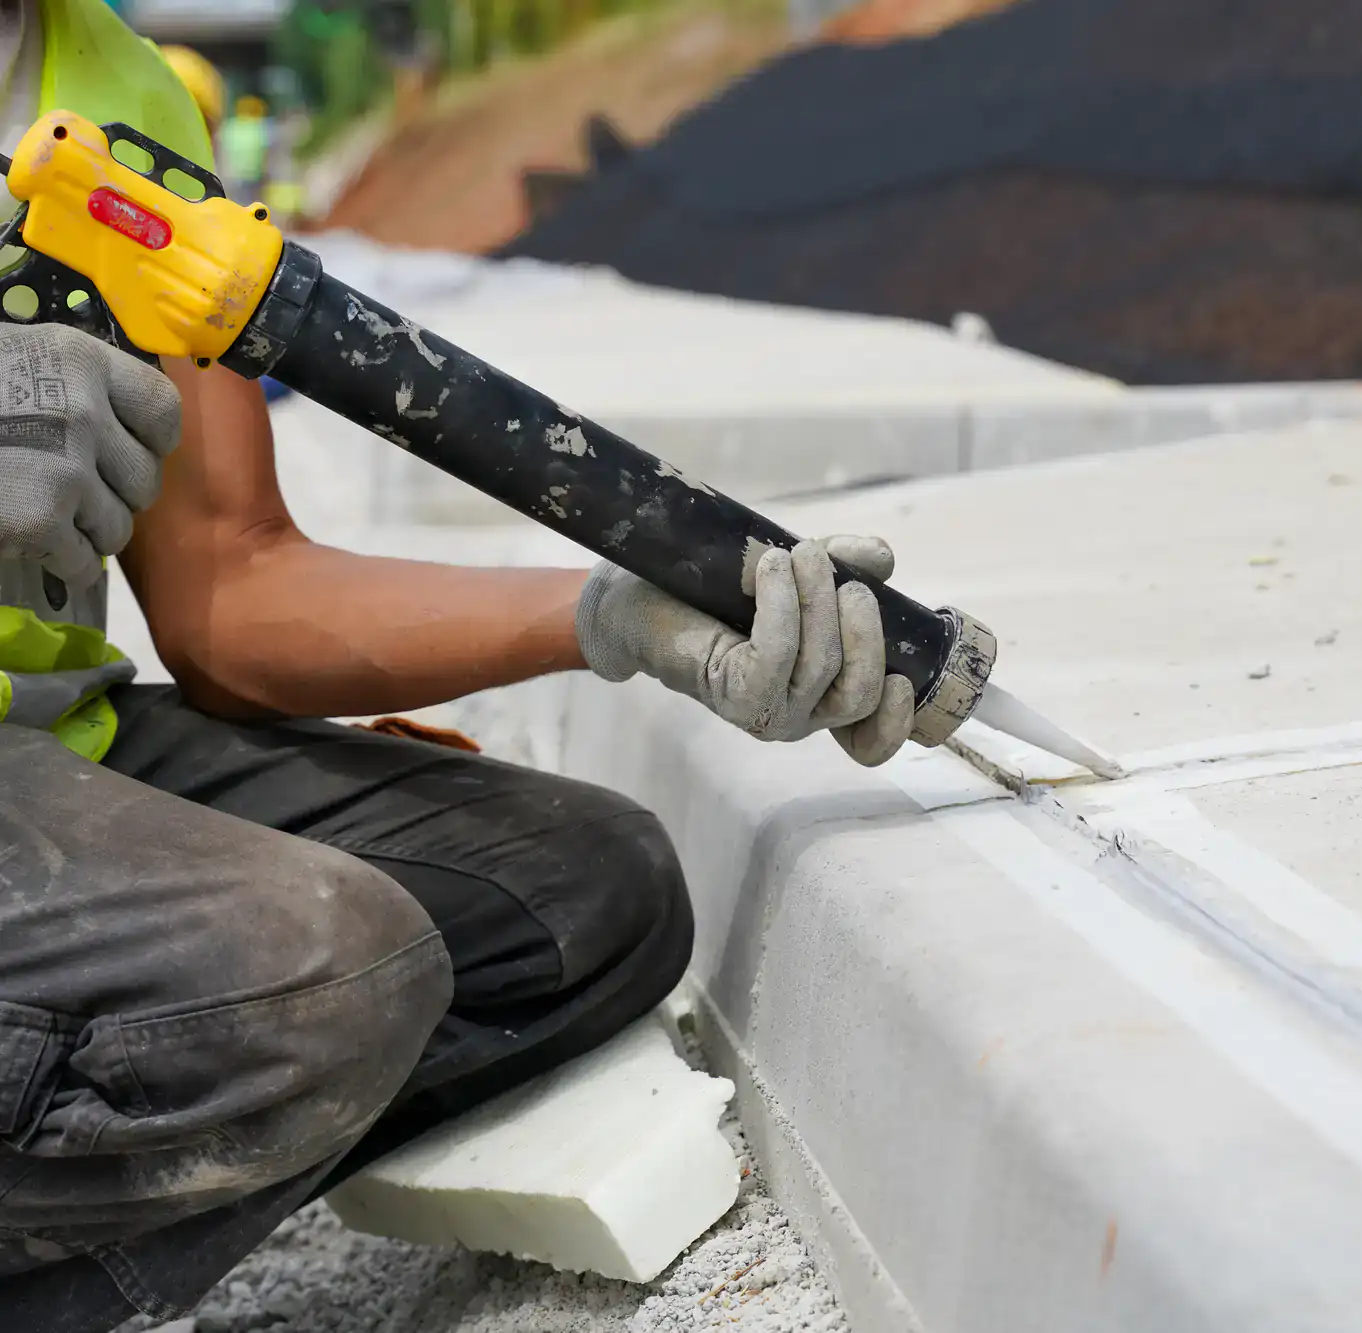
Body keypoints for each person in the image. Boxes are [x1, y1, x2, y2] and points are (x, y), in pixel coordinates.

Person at [0, 1, 916, 1329]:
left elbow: (228, 587)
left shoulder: (120, 87)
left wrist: (624, 620)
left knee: (578, 897)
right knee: (320, 968)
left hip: (43, 754)